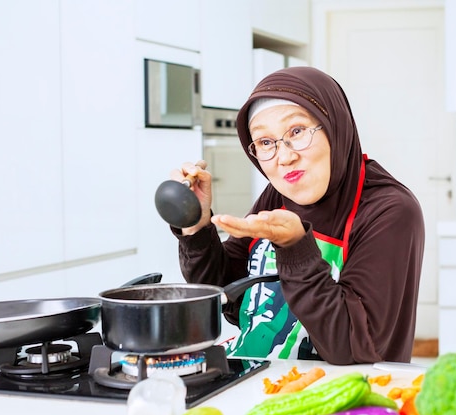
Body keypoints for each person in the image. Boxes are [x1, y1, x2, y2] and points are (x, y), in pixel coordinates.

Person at [170, 66, 425, 365]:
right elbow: (228, 297)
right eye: (266, 142)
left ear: (334, 126)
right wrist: (196, 227)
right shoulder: (278, 195)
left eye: (297, 131)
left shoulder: (389, 210)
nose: (285, 157)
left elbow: (352, 347)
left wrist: (296, 250)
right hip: (258, 382)